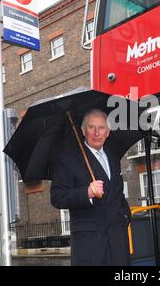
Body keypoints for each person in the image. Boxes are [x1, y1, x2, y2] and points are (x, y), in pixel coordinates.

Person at [50, 109, 131, 266]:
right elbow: (57, 197)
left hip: (118, 241)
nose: (96, 133)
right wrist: (86, 193)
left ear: (108, 132)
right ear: (83, 130)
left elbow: (118, 194)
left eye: (101, 128)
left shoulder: (113, 157)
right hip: (89, 244)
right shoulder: (68, 159)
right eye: (91, 127)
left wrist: (125, 216)